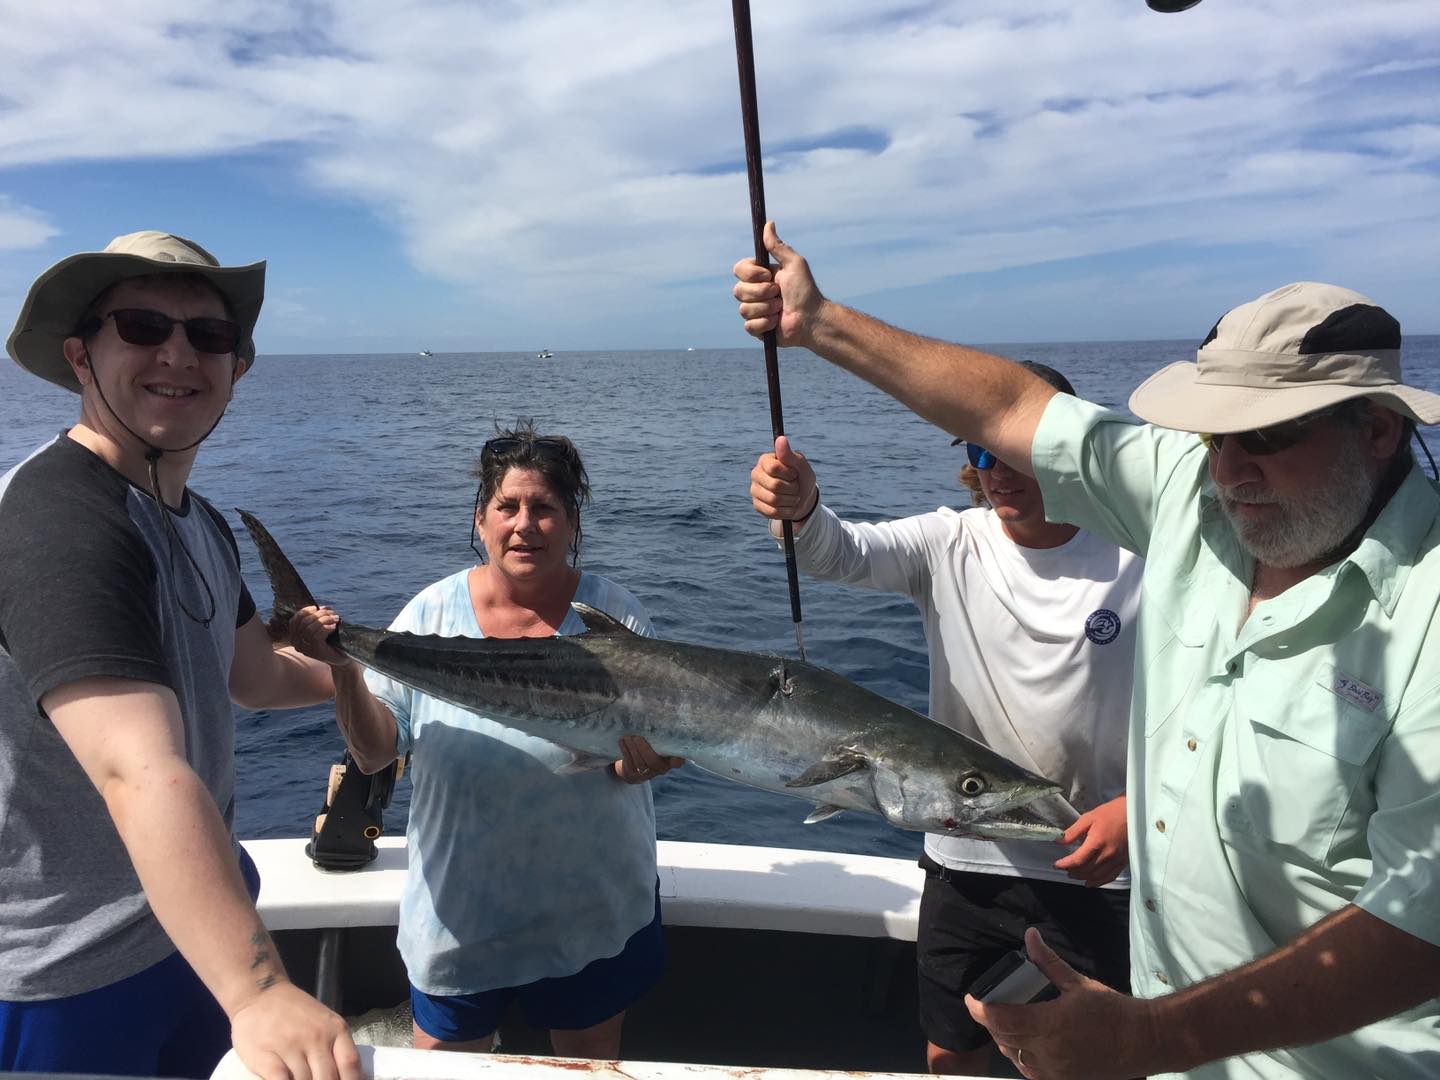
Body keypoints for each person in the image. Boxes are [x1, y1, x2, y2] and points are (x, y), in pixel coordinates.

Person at [732, 222, 1440, 1078]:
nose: (1227, 473)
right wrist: (818, 322)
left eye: (1268, 437)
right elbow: (1008, 406)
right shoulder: (1188, 496)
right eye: (1215, 437)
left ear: (1377, 430)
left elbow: (1417, 927)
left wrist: (1152, 1036)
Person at [0, 233, 360, 1079]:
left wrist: (370, 677)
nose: (178, 354)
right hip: (71, 974)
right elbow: (139, 770)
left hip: (192, 932)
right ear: (81, 355)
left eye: (209, 336)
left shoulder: (199, 522)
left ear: (238, 367)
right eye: (143, 325)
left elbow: (254, 677)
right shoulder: (61, 522)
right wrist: (260, 991)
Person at [748, 362, 1140, 1076]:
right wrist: (800, 507)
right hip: (964, 865)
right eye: (979, 451)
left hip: (1098, 868)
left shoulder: (1139, 558)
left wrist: (1139, 812)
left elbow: (1203, 715)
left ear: (1069, 448)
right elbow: (837, 551)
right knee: (949, 1054)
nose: (997, 471)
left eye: (1017, 450)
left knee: (1093, 1060)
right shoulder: (949, 542)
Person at [290, 425, 681, 1057]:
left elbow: (638, 753)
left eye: (544, 508)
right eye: (508, 507)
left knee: (585, 1070)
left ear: (571, 521)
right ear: (481, 520)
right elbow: (373, 753)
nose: (525, 524)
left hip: (592, 911)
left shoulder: (617, 619)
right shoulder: (428, 615)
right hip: (459, 918)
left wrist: (641, 766)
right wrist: (342, 666)